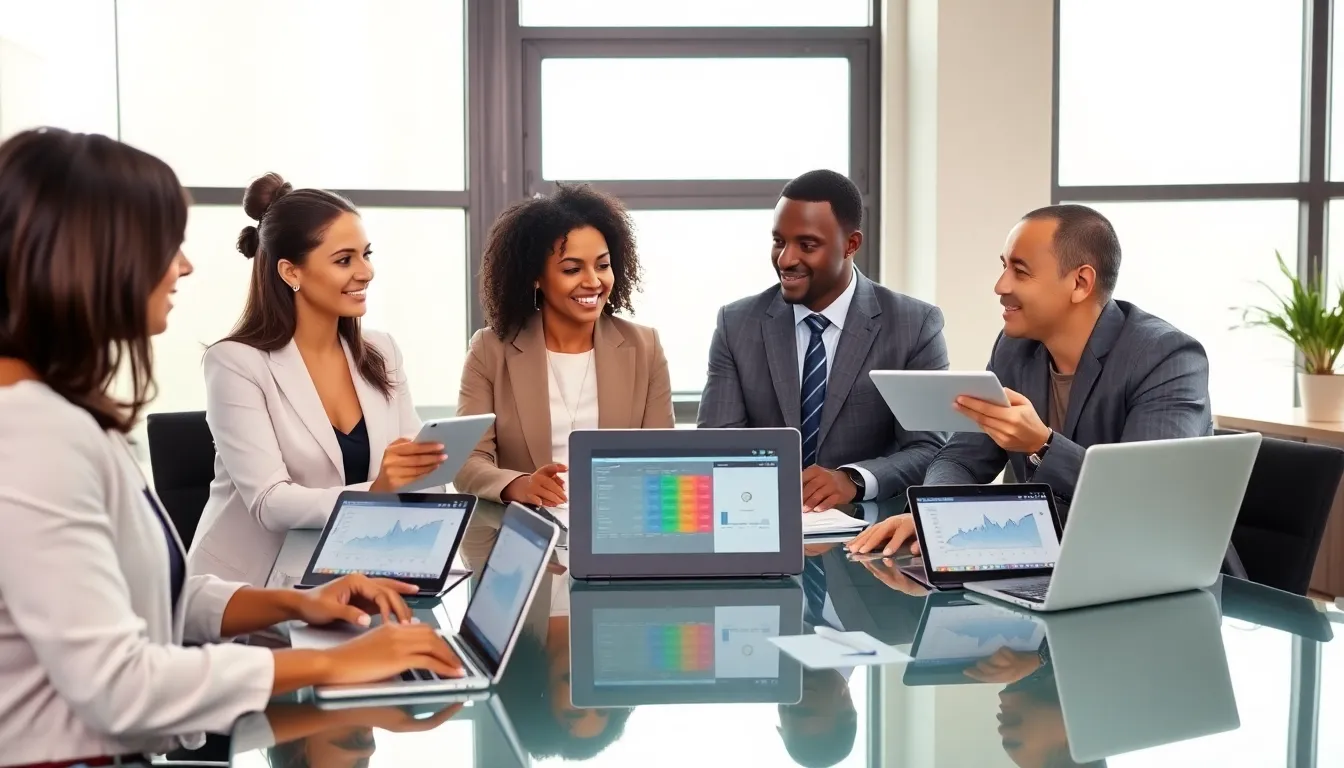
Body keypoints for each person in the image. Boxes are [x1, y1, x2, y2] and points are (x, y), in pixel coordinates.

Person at [0, 128, 462, 766]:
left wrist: (299, 604)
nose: (184, 266)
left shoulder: (61, 417)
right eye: (165, 245)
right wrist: (330, 665)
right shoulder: (29, 434)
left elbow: (165, 597)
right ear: (88, 260)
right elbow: (118, 686)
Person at [849, 204, 1211, 556]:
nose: (1000, 285)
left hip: (1153, 571)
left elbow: (1145, 496)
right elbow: (961, 457)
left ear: (1081, 282)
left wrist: (1043, 445)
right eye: (1004, 266)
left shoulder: (1166, 356)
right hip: (1045, 563)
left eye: (1020, 272)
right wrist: (933, 514)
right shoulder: (1014, 349)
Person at [190, 173, 445, 586]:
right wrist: (378, 491)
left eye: (367, 254)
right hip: (251, 592)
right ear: (291, 272)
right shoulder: (236, 363)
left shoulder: (382, 352)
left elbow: (418, 468)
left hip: (357, 571)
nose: (367, 272)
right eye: (344, 260)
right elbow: (270, 503)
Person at [698, 169, 949, 511]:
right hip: (759, 517)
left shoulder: (914, 325)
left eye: (807, 245)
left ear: (851, 244)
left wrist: (852, 479)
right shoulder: (737, 324)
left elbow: (930, 449)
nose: (786, 259)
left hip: (867, 534)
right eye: (779, 241)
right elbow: (717, 444)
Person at [455, 184, 673, 506]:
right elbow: (466, 461)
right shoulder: (490, 349)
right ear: (535, 277)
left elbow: (664, 459)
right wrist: (518, 484)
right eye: (572, 269)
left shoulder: (645, 347)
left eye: (602, 265)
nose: (593, 281)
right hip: (528, 534)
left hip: (617, 529)